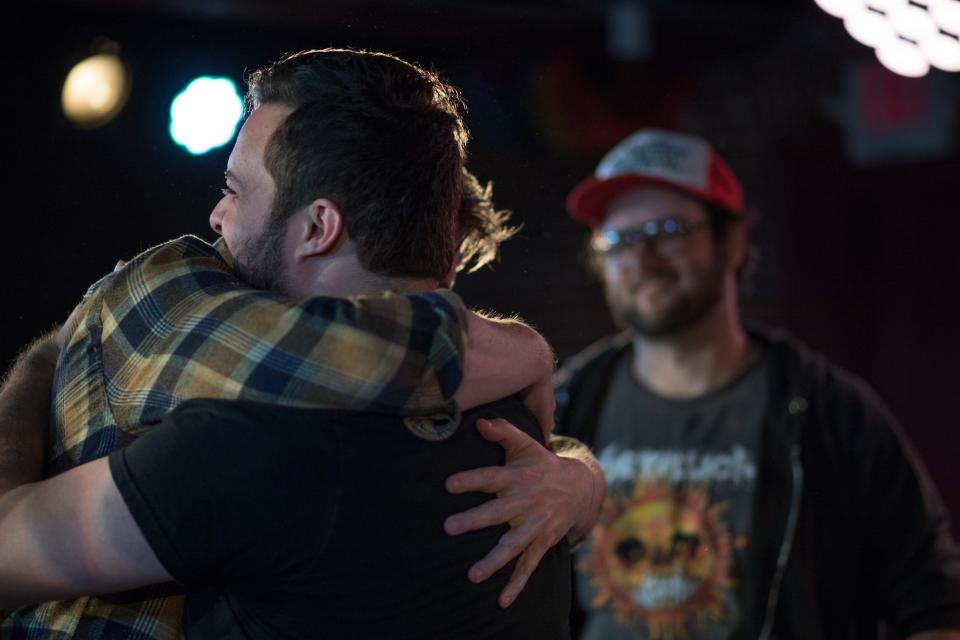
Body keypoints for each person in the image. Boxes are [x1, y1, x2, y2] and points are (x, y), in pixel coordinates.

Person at [0, 48, 603, 638]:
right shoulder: (528, 448)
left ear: (318, 227)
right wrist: (582, 474)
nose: (216, 215)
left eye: (234, 189)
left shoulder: (250, 441)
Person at [554, 128, 960, 639]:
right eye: (620, 239)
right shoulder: (567, 404)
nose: (642, 257)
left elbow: (934, 601)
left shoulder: (824, 409)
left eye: (669, 228)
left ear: (734, 241)